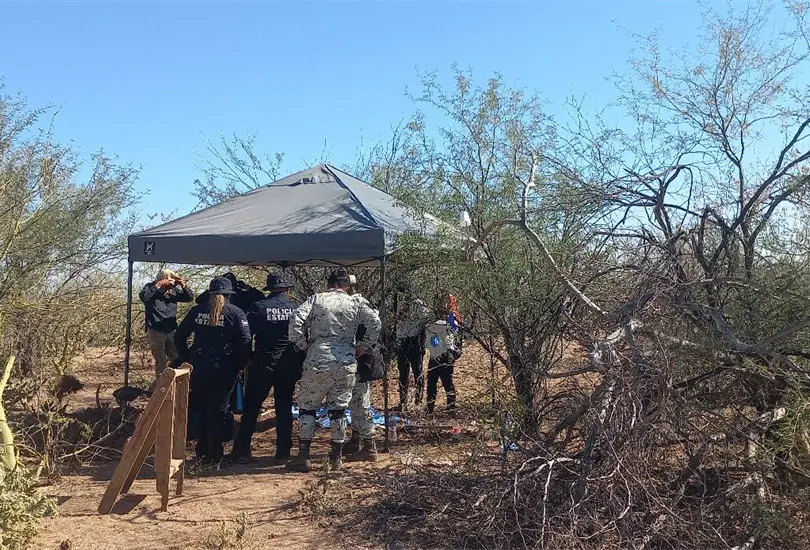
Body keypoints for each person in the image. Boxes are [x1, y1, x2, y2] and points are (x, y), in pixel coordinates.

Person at [286, 268, 381, 473]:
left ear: (329, 284)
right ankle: (336, 457)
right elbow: (375, 322)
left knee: (308, 407)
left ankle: (304, 456)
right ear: (346, 286)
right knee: (338, 409)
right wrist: (363, 346)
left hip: (317, 357)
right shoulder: (355, 302)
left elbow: (295, 321)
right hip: (346, 359)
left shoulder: (315, 299)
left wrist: (303, 345)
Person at [174, 276, 252, 465]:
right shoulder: (236, 312)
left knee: (201, 407)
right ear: (228, 294)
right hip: (224, 368)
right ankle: (215, 452)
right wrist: (239, 364)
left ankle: (201, 451)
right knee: (219, 409)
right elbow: (245, 341)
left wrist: (187, 359)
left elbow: (179, 336)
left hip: (199, 366)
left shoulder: (197, 310)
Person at [231, 273, 301, 465]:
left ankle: (243, 449)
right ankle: (283, 451)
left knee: (252, 406)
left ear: (269, 289)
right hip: (288, 362)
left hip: (264, 362)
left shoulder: (258, 307)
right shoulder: (295, 308)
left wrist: (245, 358)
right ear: (287, 289)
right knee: (284, 405)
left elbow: (245, 335)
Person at [344, 276, 384, 462]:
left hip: (361, 361)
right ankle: (356, 438)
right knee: (355, 402)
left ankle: (369, 446)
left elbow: (375, 324)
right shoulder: (354, 303)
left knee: (361, 402)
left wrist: (363, 346)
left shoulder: (359, 303)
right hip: (356, 361)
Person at [138, 268, 194, 380]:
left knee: (177, 358)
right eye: (168, 279)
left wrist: (183, 285)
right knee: (161, 361)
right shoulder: (151, 287)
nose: (171, 282)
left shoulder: (174, 291)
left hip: (171, 330)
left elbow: (189, 298)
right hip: (155, 329)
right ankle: (161, 389)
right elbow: (144, 297)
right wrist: (159, 284)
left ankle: (177, 386)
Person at [424, 298, 463, 414]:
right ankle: (449, 407)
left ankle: (433, 408)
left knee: (434, 383)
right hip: (442, 356)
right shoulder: (449, 323)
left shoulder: (431, 325)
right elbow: (456, 331)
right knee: (445, 383)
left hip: (438, 356)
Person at [396, 297, 430, 409]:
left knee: (418, 372)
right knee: (403, 373)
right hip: (401, 340)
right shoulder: (397, 300)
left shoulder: (419, 303)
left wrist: (423, 344)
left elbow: (425, 323)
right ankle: (403, 401)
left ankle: (418, 400)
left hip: (415, 340)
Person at [196, 272, 265, 313]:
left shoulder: (243, 295)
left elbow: (261, 298)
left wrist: (249, 289)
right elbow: (199, 300)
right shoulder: (216, 295)